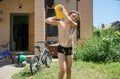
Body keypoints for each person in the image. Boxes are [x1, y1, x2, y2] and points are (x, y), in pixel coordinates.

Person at [45, 4, 80, 79]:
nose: (74, 18)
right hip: (61, 48)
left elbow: (71, 22)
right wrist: (58, 16)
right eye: (73, 16)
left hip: (69, 49)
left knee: (68, 70)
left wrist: (63, 13)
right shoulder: (60, 23)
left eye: (76, 18)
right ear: (69, 15)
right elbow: (47, 20)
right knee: (63, 69)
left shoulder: (74, 25)